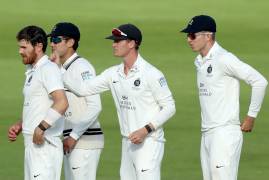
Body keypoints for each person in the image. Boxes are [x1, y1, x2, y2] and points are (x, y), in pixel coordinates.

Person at [63, 23, 176, 180]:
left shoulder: (151, 73)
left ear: (131, 43)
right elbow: (83, 89)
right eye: (113, 41)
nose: (113, 45)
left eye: (117, 41)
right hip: (127, 142)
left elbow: (169, 107)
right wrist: (58, 69)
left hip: (149, 141)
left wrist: (145, 130)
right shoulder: (113, 74)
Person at [181, 15, 268, 180]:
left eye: (192, 35)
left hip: (224, 134)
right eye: (187, 35)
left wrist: (251, 116)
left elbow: (259, 81)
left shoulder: (224, 58)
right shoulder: (199, 61)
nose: (188, 39)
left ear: (208, 36)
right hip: (207, 134)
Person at [8, 25, 69, 180]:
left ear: (39, 46)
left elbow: (62, 102)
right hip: (32, 146)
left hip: (44, 147)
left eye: (24, 47)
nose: (20, 51)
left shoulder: (48, 69)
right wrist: (21, 124)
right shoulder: (33, 70)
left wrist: (41, 127)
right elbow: (39, 103)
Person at [48, 22, 104, 180]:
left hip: (83, 141)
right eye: (51, 40)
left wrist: (74, 136)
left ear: (71, 42)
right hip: (71, 140)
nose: (52, 44)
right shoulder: (61, 67)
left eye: (57, 40)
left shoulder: (82, 67)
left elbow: (95, 105)